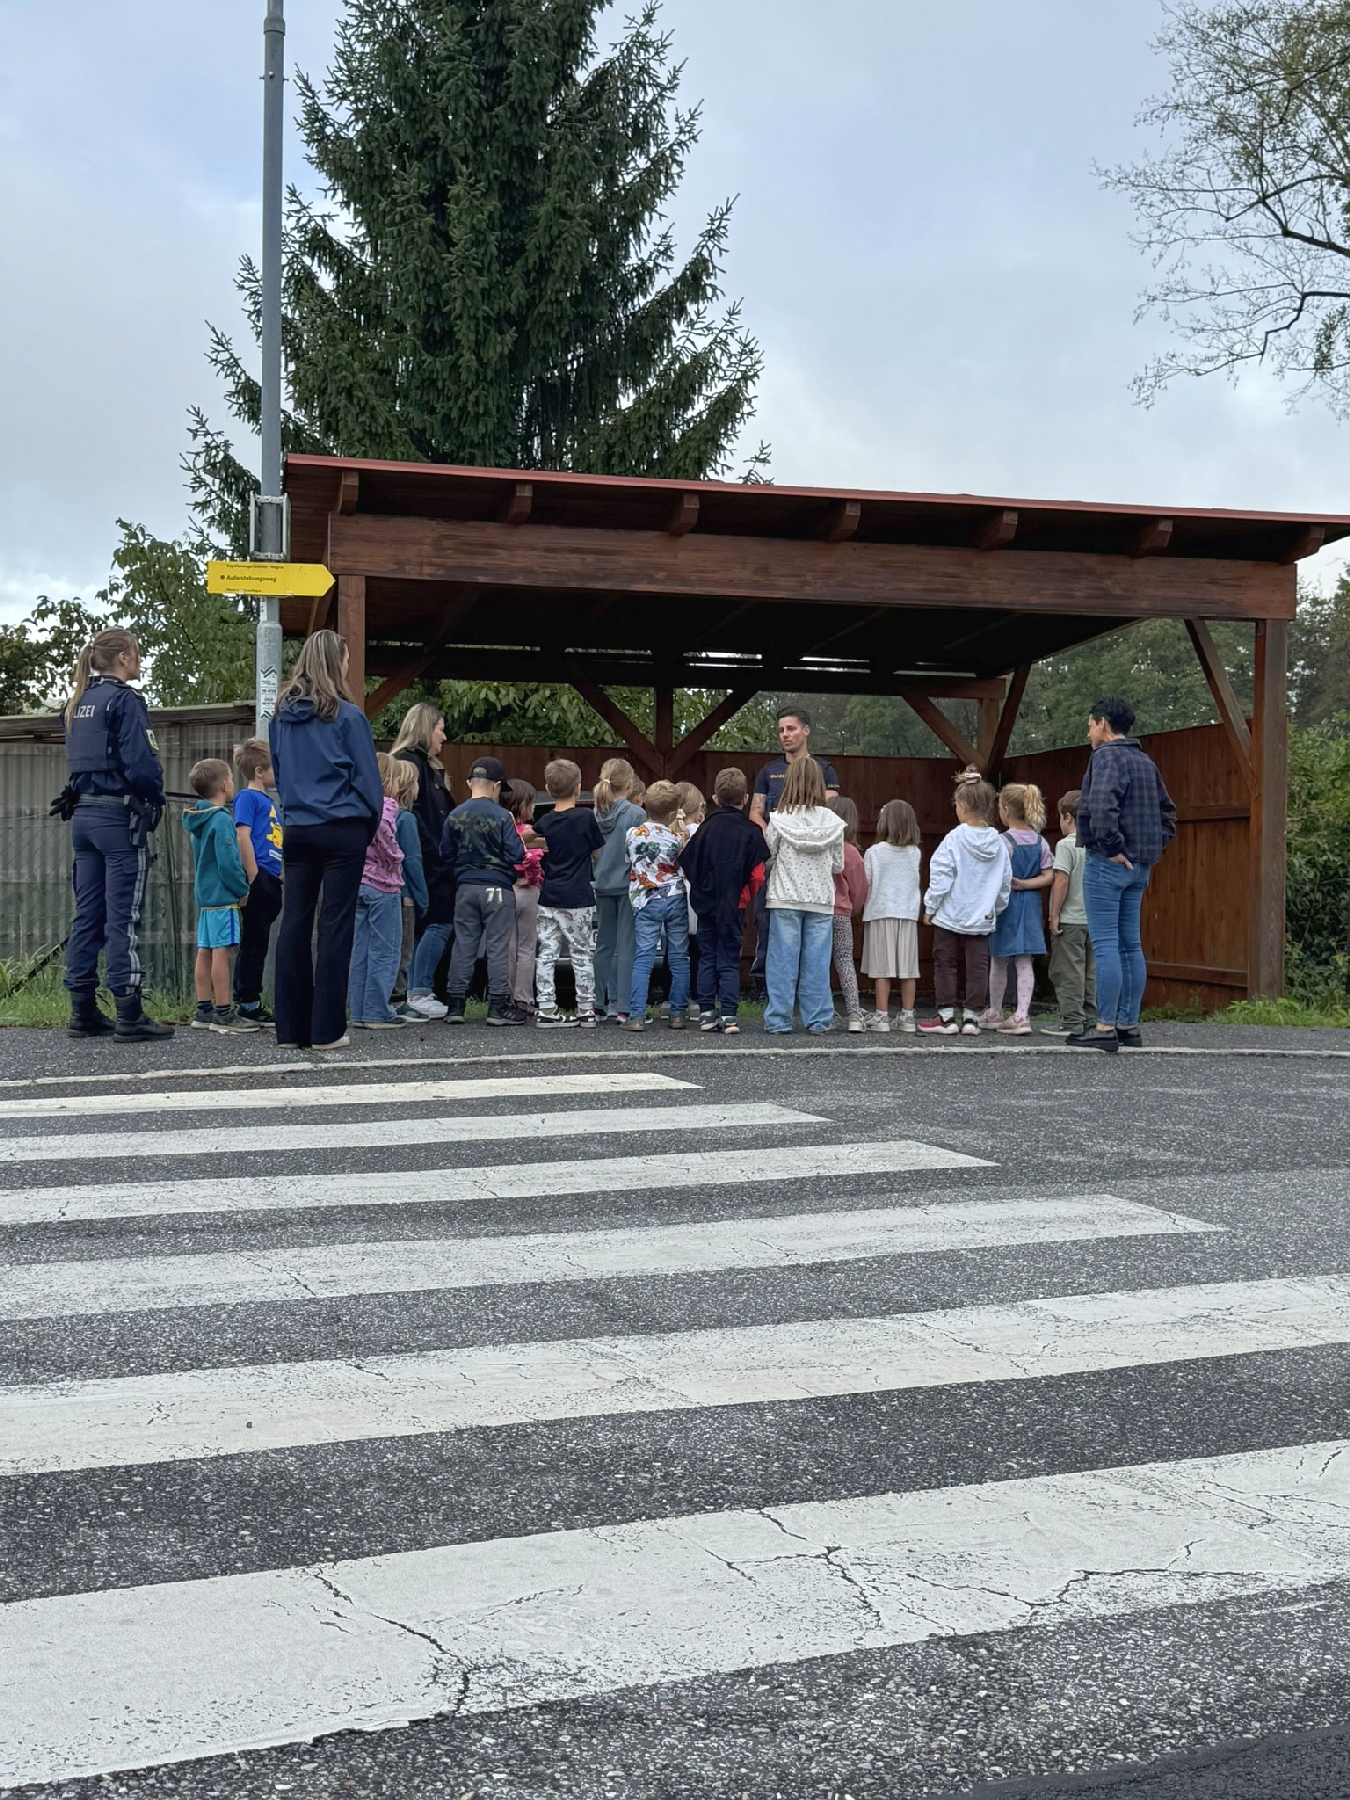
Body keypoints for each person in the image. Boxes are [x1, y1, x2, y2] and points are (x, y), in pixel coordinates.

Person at [55, 627, 173, 1042]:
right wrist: (156, 798)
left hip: (83, 817)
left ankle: (82, 1009)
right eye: (136, 654)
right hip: (118, 819)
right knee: (122, 916)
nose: (138, 661)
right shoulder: (125, 701)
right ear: (123, 657)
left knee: (87, 914)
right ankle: (129, 1011)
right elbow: (140, 762)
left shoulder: (76, 702)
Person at [269, 628, 383, 1052]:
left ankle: (290, 1028)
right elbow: (368, 780)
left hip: (299, 828)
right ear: (337, 663)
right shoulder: (349, 717)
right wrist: (366, 826)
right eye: (347, 660)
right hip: (342, 826)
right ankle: (326, 1030)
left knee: (294, 924)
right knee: (335, 927)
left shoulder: (280, 718)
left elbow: (280, 772)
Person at [1074, 695, 1177, 1053]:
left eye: (1090, 724)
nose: (1088, 732)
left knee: (1104, 945)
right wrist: (1149, 850)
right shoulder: (1146, 761)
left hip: (1108, 863)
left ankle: (1104, 1027)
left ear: (1102, 723)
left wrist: (1112, 847)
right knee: (1130, 945)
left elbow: (1102, 807)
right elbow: (1168, 813)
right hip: (1140, 867)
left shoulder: (1105, 757)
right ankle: (1127, 1026)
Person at [749, 708, 840, 988]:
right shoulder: (769, 770)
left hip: (813, 865)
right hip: (778, 860)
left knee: (814, 940)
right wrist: (774, 835)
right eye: (781, 730)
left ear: (806, 730)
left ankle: (805, 992)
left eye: (790, 729)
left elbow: (830, 812)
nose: (785, 735)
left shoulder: (824, 769)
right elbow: (755, 812)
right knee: (768, 922)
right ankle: (765, 985)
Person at [919, 768, 1010, 1037]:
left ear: (961, 806)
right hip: (982, 916)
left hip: (950, 913)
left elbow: (941, 876)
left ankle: (946, 1017)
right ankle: (971, 1018)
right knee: (978, 965)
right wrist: (996, 908)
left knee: (945, 962)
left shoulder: (953, 839)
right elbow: (1005, 882)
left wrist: (931, 906)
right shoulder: (999, 844)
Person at [441, 754, 529, 1025]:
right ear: (496, 786)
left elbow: (445, 853)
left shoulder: (455, 815)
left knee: (463, 944)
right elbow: (517, 854)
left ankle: (455, 1006)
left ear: (469, 783)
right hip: (498, 888)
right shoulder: (502, 817)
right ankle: (498, 1008)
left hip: (466, 887)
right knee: (498, 946)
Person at [679, 766, 767, 1034]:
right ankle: (729, 1014)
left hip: (706, 903)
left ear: (715, 799)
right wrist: (746, 895)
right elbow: (758, 874)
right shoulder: (751, 831)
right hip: (734, 903)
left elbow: (688, 863)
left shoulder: (704, 829)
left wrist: (702, 889)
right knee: (729, 958)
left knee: (706, 955)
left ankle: (706, 1013)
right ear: (746, 799)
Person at [762, 757, 845, 1035]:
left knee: (782, 961)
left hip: (785, 896)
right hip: (820, 899)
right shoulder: (833, 823)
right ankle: (818, 1019)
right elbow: (838, 865)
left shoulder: (778, 819)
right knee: (817, 963)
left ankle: (779, 1019)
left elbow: (768, 858)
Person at [183, 759, 257, 1034]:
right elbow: (228, 862)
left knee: (204, 950)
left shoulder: (197, 818)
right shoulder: (222, 819)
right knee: (221, 953)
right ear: (224, 785)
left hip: (204, 897)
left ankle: (203, 1010)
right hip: (223, 897)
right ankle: (224, 1011)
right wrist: (242, 888)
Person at [392, 702, 454, 1020]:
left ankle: (414, 990)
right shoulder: (410, 763)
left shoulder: (423, 765)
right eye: (440, 729)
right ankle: (419, 989)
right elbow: (414, 813)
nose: (444, 736)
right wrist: (437, 849)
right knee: (439, 919)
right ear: (426, 728)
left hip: (427, 856)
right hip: (425, 858)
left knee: (421, 924)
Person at [534, 759, 605, 1028]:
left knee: (547, 953)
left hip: (550, 896)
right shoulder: (585, 817)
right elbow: (597, 852)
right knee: (581, 953)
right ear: (578, 788)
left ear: (548, 789)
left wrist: (539, 842)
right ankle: (586, 1009)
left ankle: (546, 1007)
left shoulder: (546, 821)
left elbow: (526, 836)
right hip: (578, 896)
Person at [984, 783, 1054, 1035]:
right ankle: (1022, 1015)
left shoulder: (1002, 841)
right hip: (1031, 906)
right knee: (1025, 961)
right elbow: (1049, 875)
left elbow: (993, 874)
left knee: (999, 959)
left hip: (1006, 906)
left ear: (1005, 810)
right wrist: (1026, 884)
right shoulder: (1040, 841)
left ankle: (995, 1011)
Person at [620, 780, 690, 1031]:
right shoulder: (675, 839)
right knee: (679, 957)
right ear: (672, 813)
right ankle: (678, 1013)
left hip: (646, 900)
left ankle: (637, 1015)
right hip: (675, 897)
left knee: (644, 956)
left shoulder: (632, 834)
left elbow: (628, 860)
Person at [348, 753, 411, 1031]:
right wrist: (395, 857)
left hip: (359, 882)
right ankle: (377, 1011)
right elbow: (383, 828)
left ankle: (359, 1009)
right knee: (385, 950)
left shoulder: (356, 803)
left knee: (360, 949)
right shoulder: (386, 804)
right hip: (384, 885)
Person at [231, 738, 284, 1026]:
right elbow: (243, 835)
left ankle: (250, 998)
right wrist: (253, 875)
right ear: (259, 772)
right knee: (253, 942)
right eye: (274, 768)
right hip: (260, 877)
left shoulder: (268, 801)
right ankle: (247, 1000)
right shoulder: (247, 798)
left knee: (260, 940)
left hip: (272, 877)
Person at [861, 798, 922, 1034]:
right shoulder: (914, 853)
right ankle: (908, 1016)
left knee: (882, 968)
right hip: (907, 914)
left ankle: (881, 1016)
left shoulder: (874, 853)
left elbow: (866, 883)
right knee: (908, 969)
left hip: (880, 912)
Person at [592, 758, 645, 1021]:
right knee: (626, 946)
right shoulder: (636, 814)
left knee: (603, 944)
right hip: (626, 885)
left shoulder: (596, 812)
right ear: (629, 784)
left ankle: (595, 1003)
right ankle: (623, 1006)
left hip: (602, 883)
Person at [1042, 789, 1097, 1040]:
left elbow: (1061, 881)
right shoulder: (1097, 845)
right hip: (1094, 919)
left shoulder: (1066, 845)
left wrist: (1053, 914)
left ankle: (1072, 1020)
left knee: (1068, 971)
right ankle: (1093, 1018)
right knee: (1091, 971)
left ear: (1067, 817)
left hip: (1070, 920)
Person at [389, 757, 428, 1021]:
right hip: (406, 897)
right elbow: (412, 861)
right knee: (404, 949)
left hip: (386, 892)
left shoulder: (383, 816)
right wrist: (423, 898)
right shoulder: (406, 819)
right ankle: (398, 999)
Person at [826, 796, 869, 1032]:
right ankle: (854, 1013)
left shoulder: (821, 847)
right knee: (844, 961)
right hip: (842, 914)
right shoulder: (851, 852)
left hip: (819, 913)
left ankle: (826, 1013)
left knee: (819, 963)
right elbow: (859, 889)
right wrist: (854, 908)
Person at [505, 778, 544, 1016]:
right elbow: (535, 859)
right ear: (522, 805)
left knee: (508, 946)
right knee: (527, 947)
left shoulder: (503, 830)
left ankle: (506, 997)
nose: (534, 808)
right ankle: (523, 997)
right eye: (531, 803)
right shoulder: (529, 833)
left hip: (507, 890)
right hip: (528, 892)